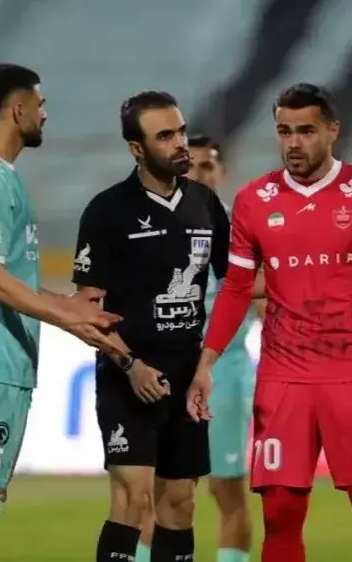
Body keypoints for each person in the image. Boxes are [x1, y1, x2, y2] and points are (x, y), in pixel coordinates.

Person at [188, 83, 352, 562]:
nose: (293, 142)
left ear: (332, 131)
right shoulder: (254, 199)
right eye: (284, 131)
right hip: (283, 378)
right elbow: (235, 289)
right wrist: (206, 363)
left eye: (306, 131)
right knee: (280, 517)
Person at [0, 63, 123, 562]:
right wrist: (67, 318)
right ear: (18, 110)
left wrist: (66, 306)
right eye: (40, 104)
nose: (46, 114)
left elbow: (10, 276)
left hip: (1, 359)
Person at [72, 91, 233, 562]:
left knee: (180, 504)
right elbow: (85, 310)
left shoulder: (206, 204)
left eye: (180, 131)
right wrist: (129, 364)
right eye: (165, 136)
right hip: (128, 374)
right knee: (132, 498)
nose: (180, 143)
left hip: (187, 375)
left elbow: (240, 282)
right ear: (137, 148)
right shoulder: (107, 210)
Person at [135, 135, 262, 562]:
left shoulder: (245, 234)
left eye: (207, 165)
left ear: (221, 173)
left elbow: (269, 301)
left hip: (225, 376)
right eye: (190, 165)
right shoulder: (152, 228)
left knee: (228, 490)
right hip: (168, 374)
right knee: (162, 492)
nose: (198, 174)